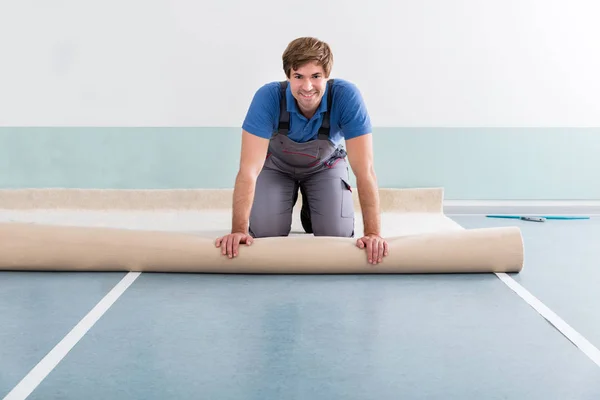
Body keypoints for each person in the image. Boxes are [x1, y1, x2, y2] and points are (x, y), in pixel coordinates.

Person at [215, 37, 388, 264]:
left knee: (336, 237)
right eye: (299, 77)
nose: (307, 87)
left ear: (327, 75)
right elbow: (248, 170)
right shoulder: (268, 98)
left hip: (324, 168)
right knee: (266, 236)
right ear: (288, 77)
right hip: (276, 167)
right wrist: (238, 229)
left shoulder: (346, 97)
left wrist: (373, 234)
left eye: (315, 76)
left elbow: (365, 171)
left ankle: (312, 209)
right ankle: (289, 200)